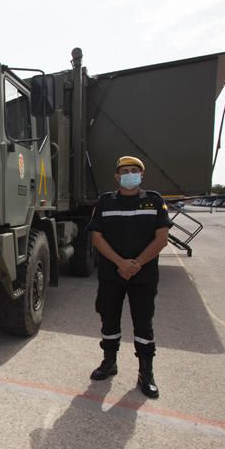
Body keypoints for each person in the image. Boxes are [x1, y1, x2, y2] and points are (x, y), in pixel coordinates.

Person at [87, 156, 172, 398]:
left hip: (143, 275)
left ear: (142, 176)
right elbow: (97, 238)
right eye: (125, 171)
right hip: (111, 274)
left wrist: (135, 265)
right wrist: (120, 263)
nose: (130, 174)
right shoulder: (105, 202)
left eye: (135, 171)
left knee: (143, 323)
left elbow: (161, 238)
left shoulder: (154, 201)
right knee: (108, 319)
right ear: (117, 176)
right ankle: (109, 362)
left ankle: (146, 373)